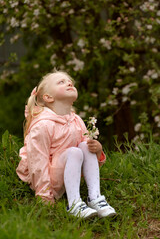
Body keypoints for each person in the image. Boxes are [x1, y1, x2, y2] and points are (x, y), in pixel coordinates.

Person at [16, 70, 116, 219]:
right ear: (48, 97)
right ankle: (74, 203)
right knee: (74, 152)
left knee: (85, 145)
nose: (69, 83)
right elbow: (38, 162)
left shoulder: (76, 120)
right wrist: (44, 196)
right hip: (49, 180)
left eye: (70, 82)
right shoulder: (42, 126)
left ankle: (95, 198)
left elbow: (86, 155)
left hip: (69, 172)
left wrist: (97, 150)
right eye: (61, 82)